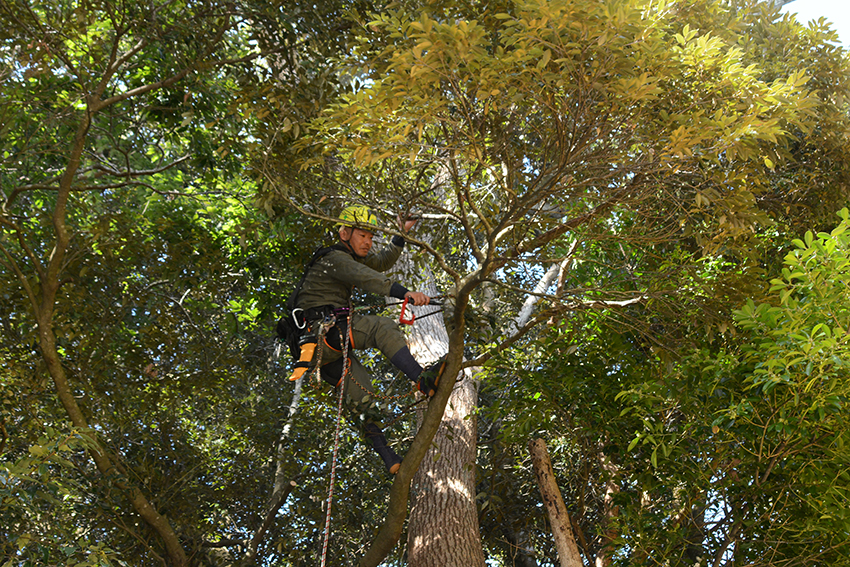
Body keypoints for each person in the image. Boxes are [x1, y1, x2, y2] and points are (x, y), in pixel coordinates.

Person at [294, 205, 445, 474]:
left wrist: (401, 233)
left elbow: (380, 263)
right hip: (323, 333)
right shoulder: (333, 259)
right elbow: (368, 277)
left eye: (371, 237)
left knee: (360, 398)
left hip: (320, 347)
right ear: (344, 233)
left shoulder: (350, 259)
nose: (368, 241)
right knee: (381, 328)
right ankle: (422, 379)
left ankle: (390, 459)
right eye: (363, 235)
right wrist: (406, 292)